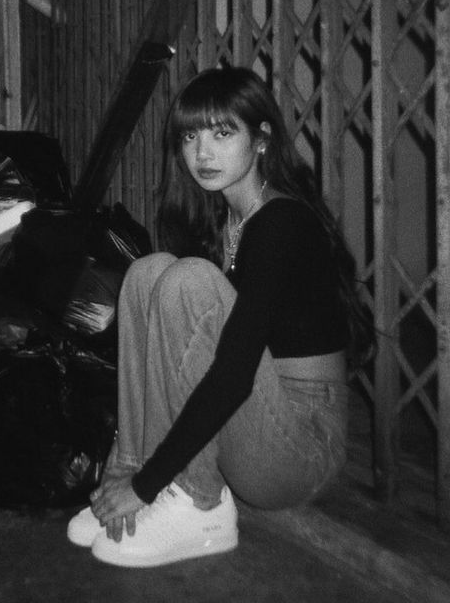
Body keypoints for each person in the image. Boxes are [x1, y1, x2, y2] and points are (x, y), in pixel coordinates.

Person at [66, 66, 373, 568]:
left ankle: (199, 504)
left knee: (188, 279)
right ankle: (131, 473)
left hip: (299, 445)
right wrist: (130, 473)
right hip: (257, 418)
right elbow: (179, 360)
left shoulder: (280, 222)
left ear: (261, 140)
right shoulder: (225, 221)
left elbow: (231, 375)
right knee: (148, 272)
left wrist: (148, 485)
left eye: (222, 132)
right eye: (191, 135)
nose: (202, 153)